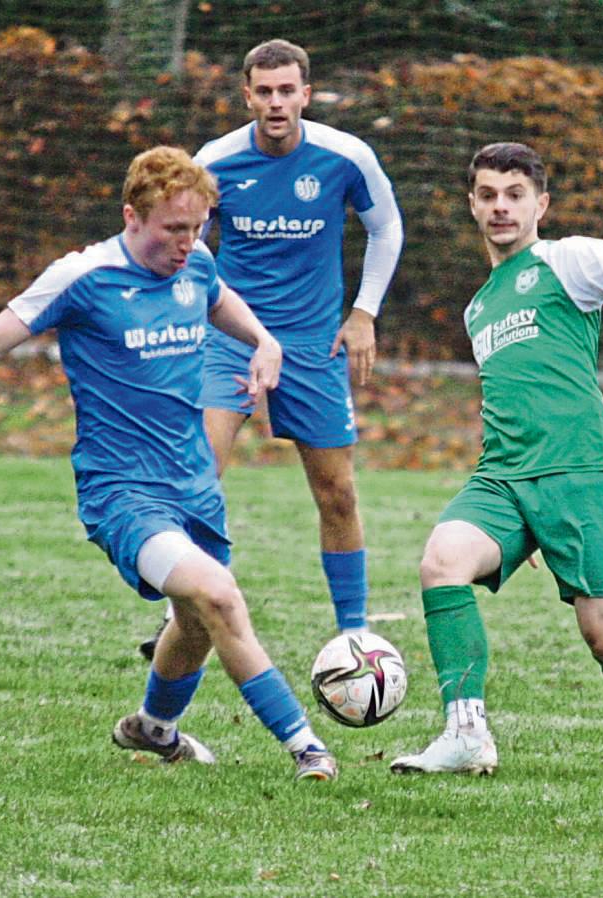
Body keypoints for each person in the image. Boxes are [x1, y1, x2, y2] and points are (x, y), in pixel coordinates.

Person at [0, 146, 337, 781]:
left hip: (193, 482)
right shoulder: (84, 276)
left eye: (198, 226)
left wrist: (264, 342)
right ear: (132, 215)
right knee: (218, 596)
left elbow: (217, 297)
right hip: (121, 492)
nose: (187, 242)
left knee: (195, 624)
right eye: (174, 228)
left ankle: (153, 728)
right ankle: (307, 747)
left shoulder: (196, 262)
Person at [390, 142, 603, 778]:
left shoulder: (565, 261)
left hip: (578, 471)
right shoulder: (477, 307)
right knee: (442, 562)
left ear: (540, 204)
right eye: (488, 195)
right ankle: (466, 732)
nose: (501, 207)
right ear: (472, 205)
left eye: (515, 195)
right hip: (502, 475)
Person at [138, 39, 404, 660]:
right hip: (230, 340)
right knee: (197, 477)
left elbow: (387, 226)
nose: (276, 102)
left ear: (306, 94)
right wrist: (184, 314)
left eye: (288, 91)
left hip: (313, 343)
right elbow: (184, 242)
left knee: (336, 490)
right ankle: (183, 621)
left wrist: (364, 312)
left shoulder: (346, 156)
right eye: (265, 91)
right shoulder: (216, 162)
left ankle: (354, 632)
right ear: (248, 96)